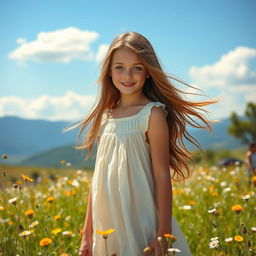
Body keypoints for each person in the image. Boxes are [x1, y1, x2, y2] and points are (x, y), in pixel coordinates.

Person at [75, 32, 216, 256]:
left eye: (137, 67)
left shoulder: (152, 115)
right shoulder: (105, 118)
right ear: (109, 72)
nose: (127, 75)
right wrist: (87, 234)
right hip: (108, 221)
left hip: (142, 217)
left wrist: (164, 232)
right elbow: (98, 180)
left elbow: (161, 176)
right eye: (119, 67)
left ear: (148, 71)